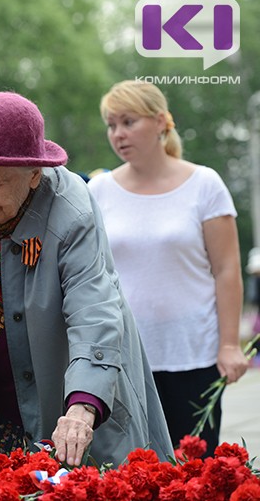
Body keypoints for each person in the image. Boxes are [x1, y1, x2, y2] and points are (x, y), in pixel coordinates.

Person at [0, 91, 174, 467]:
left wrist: (81, 410)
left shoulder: (72, 211)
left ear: (34, 173)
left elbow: (95, 313)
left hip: (70, 393)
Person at [89, 80, 248, 454]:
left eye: (128, 122)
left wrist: (228, 345)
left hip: (192, 355)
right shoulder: (99, 191)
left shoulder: (205, 184)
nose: (118, 134)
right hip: (123, 360)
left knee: (195, 475)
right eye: (111, 125)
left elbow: (227, 269)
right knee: (129, 477)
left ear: (161, 122)